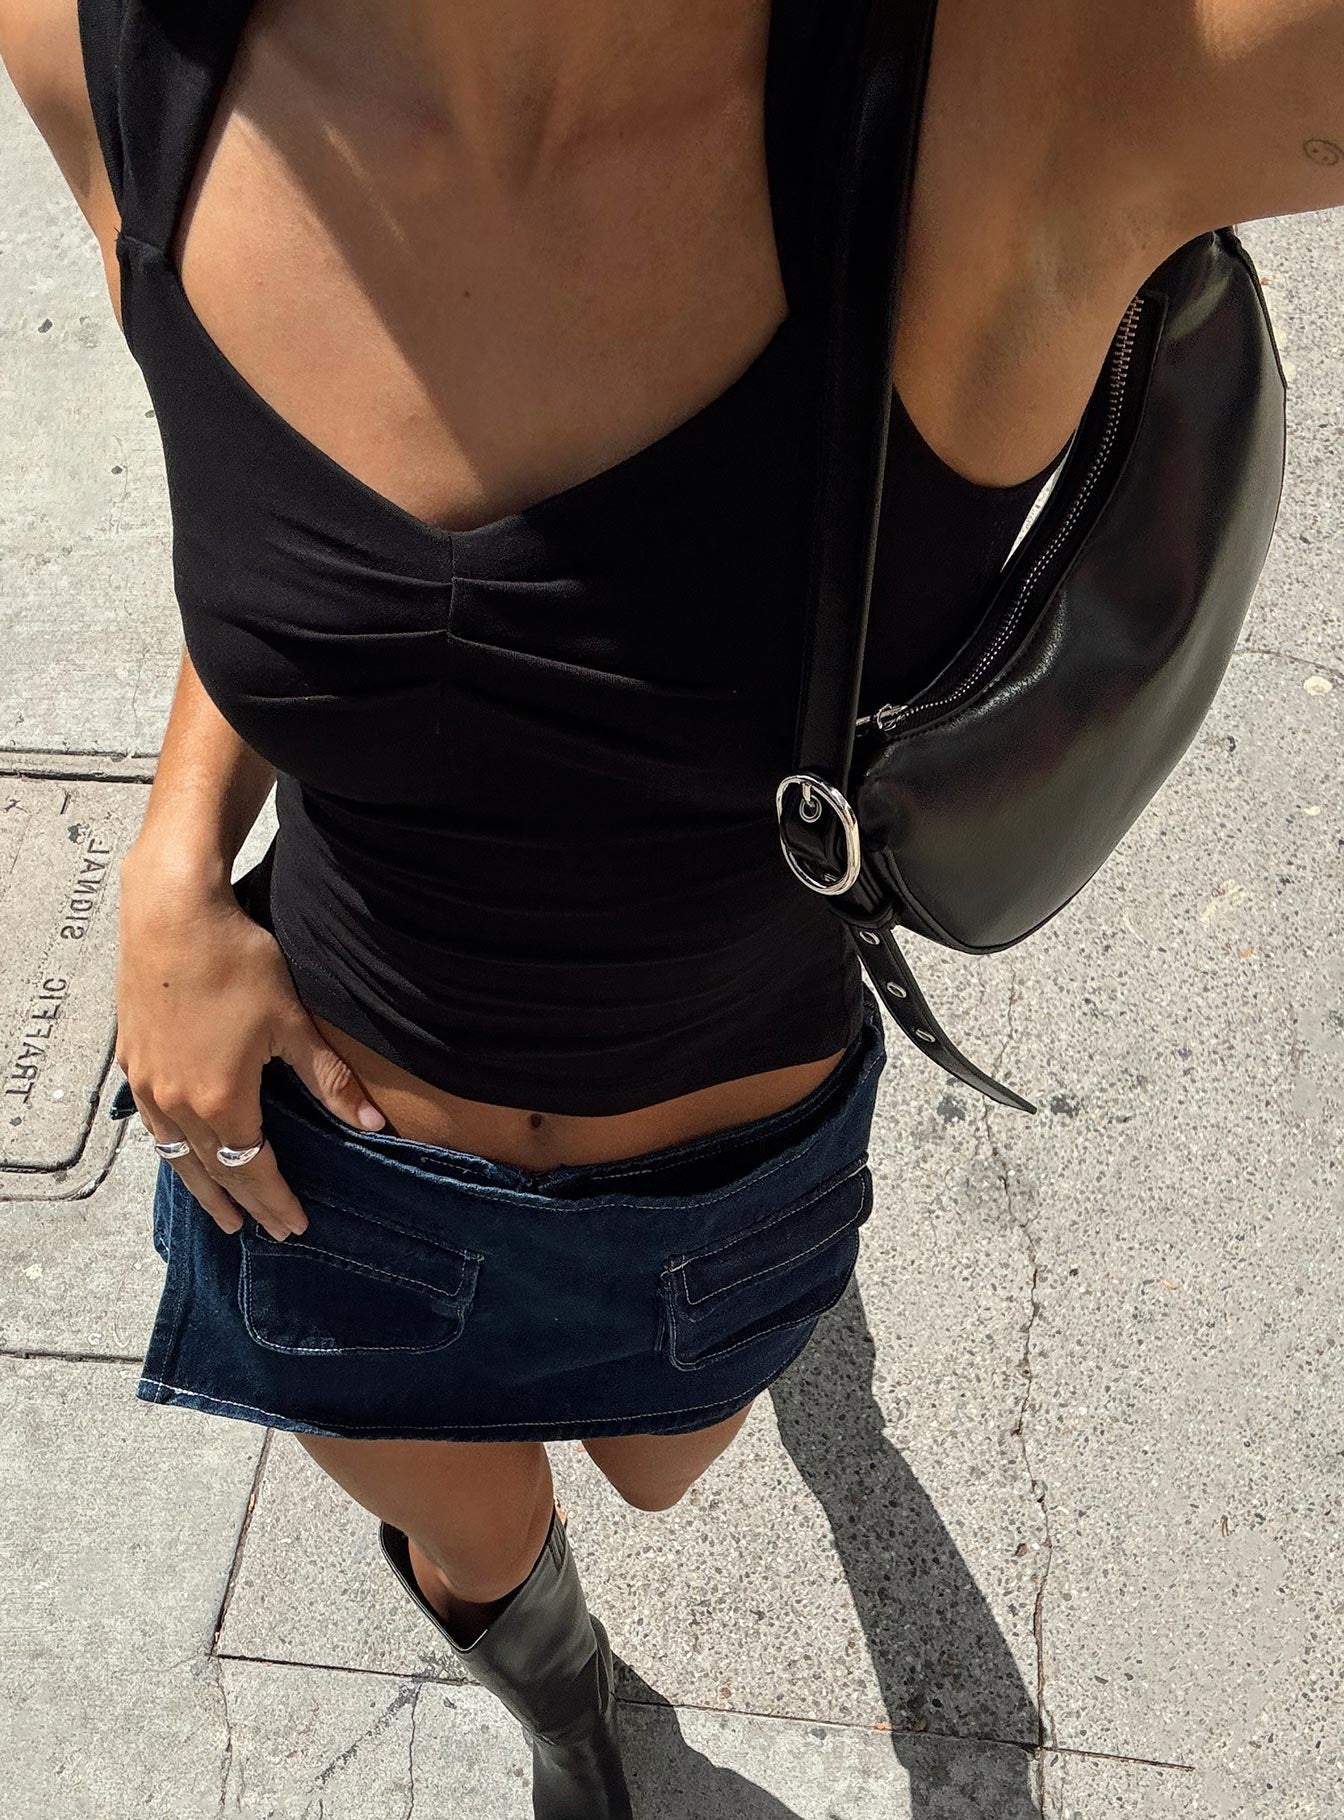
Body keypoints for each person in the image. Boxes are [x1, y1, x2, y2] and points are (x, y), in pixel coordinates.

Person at [3, 0, 1340, 1811]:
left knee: (658, 1467)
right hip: (331, 1172)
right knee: (480, 1543)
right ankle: (565, 1710)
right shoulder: (108, 51)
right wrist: (171, 866)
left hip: (723, 1174)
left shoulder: (1029, 87)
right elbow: (282, 543)